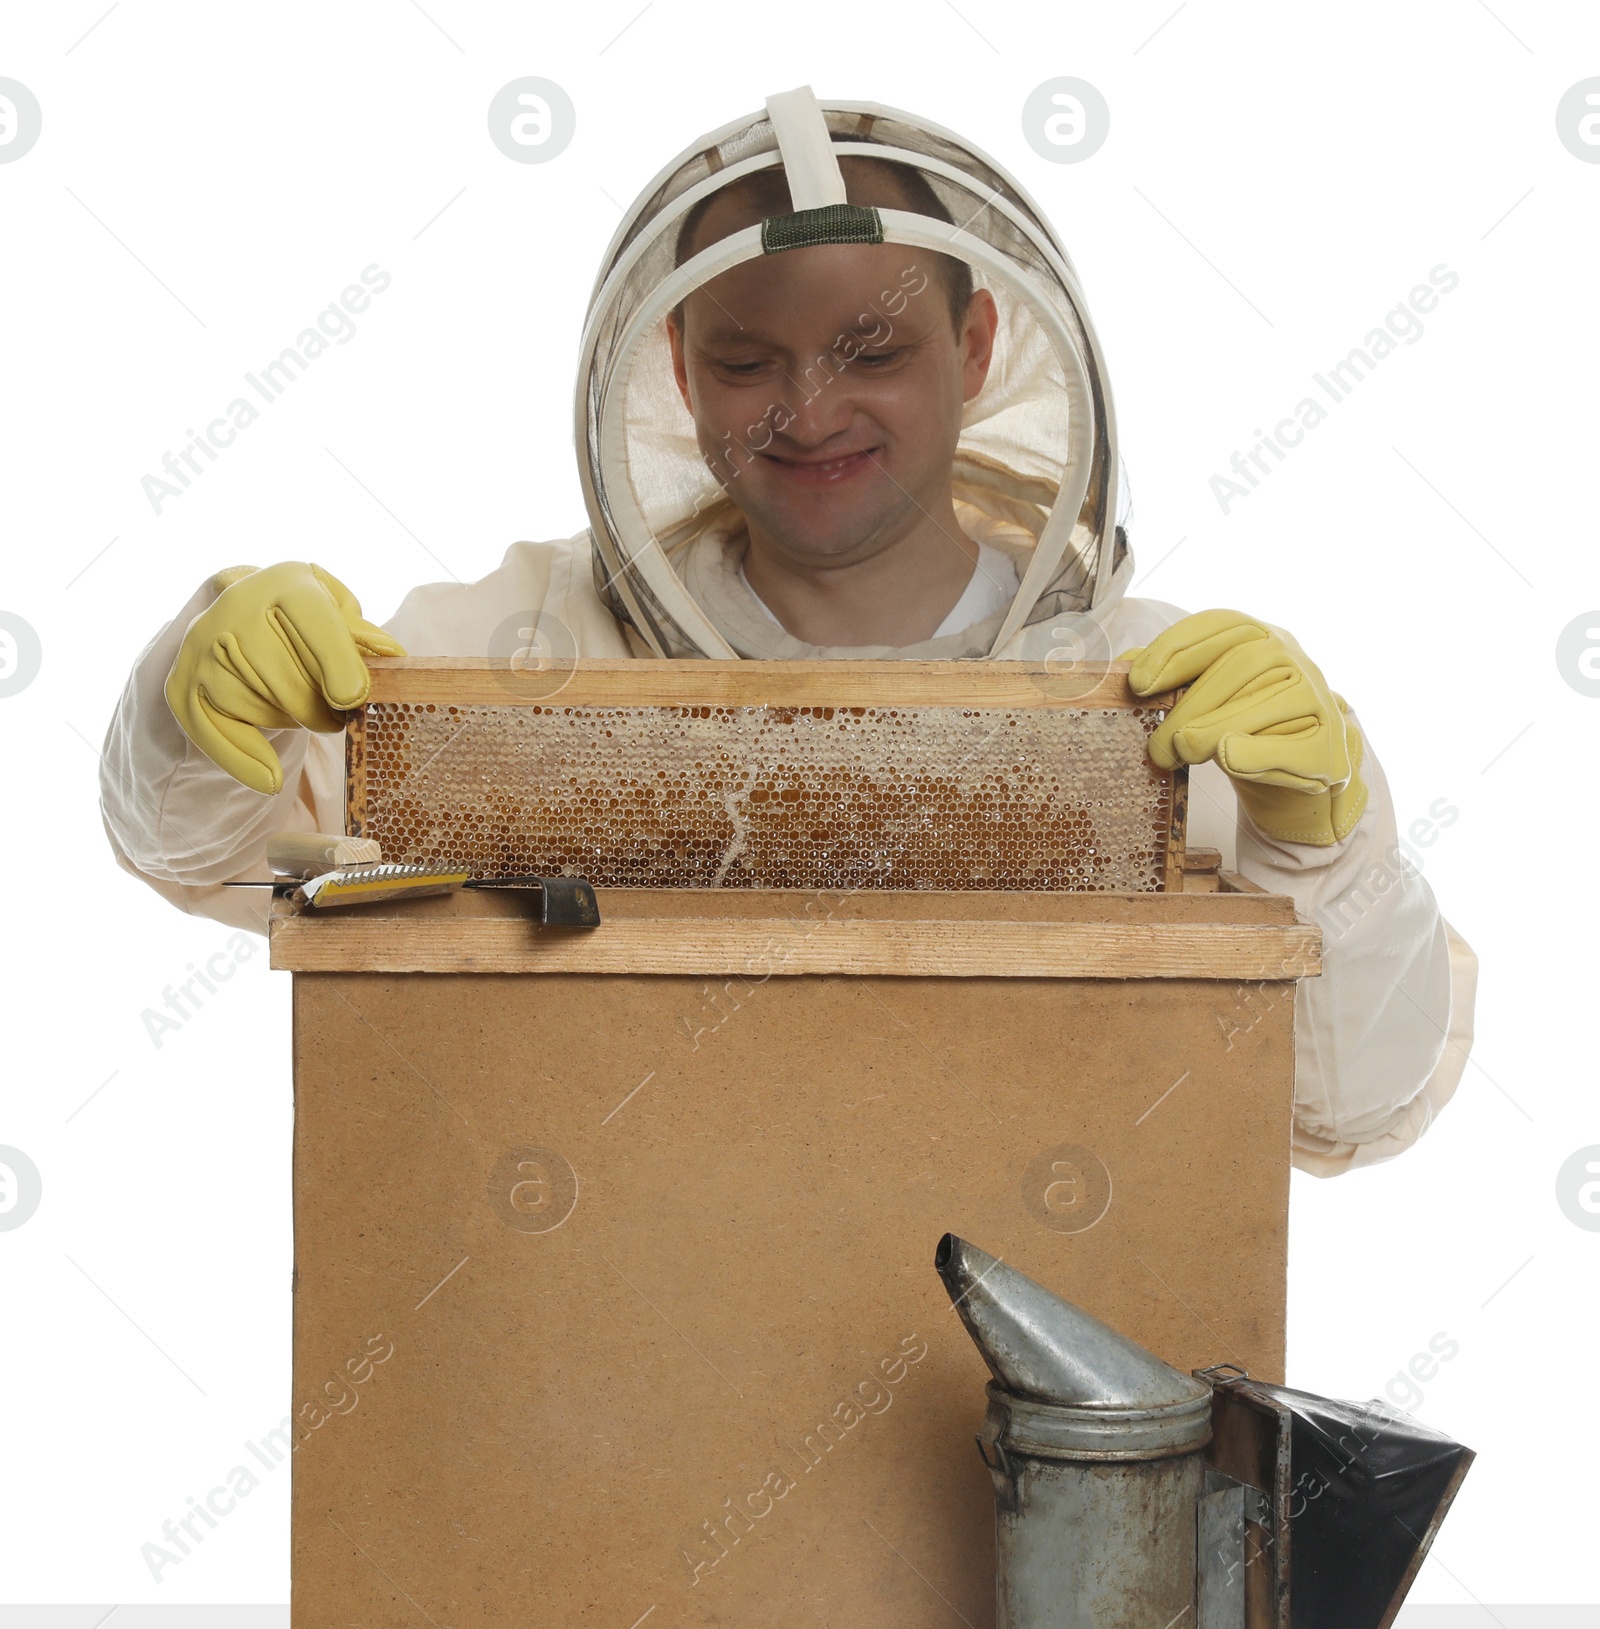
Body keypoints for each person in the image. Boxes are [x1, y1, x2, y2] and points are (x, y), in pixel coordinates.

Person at [99, 87, 1474, 1177]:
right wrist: (194, 698)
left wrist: (1320, 846)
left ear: (979, 344)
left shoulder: (1165, 697)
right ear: (679, 368)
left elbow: (1353, 1107)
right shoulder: (531, 649)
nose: (808, 411)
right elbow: (232, 859)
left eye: (873, 351)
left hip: (1056, 1451)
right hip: (602, 1395)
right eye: (748, 359)